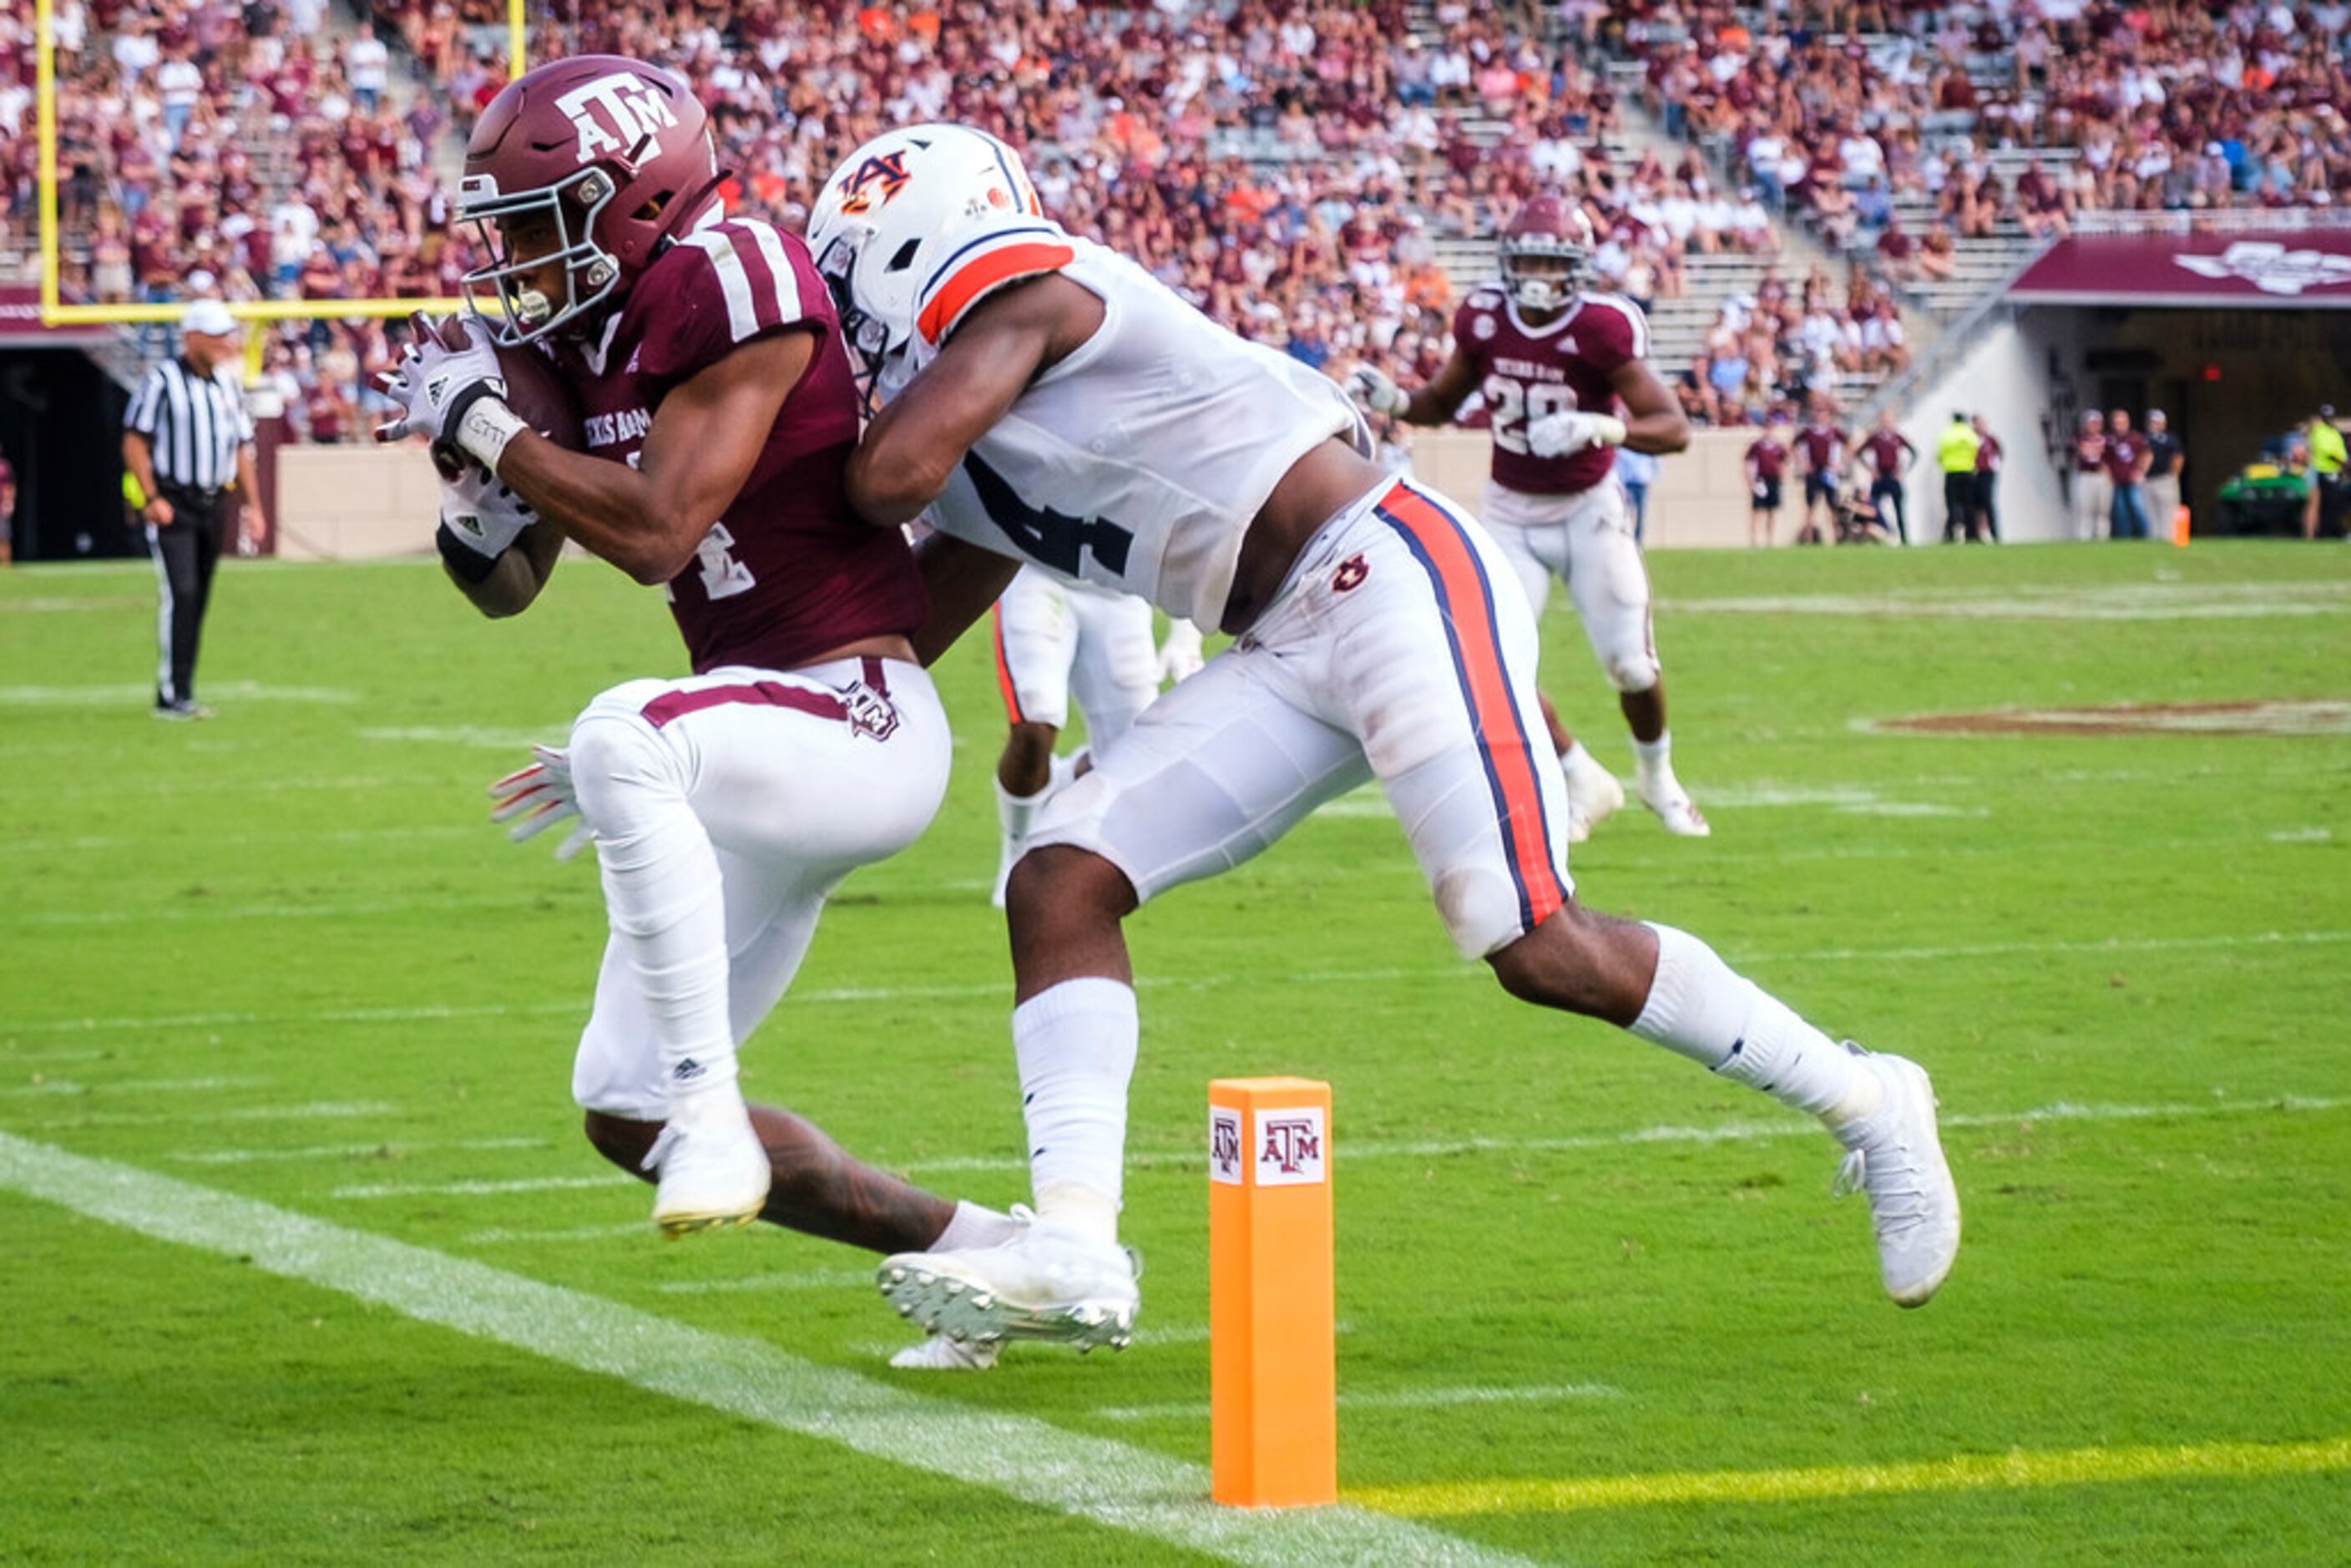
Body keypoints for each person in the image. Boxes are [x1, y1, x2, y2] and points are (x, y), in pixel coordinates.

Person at [807, 124, 1959, 1353]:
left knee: (1534, 944)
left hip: (1386, 567)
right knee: (1060, 875)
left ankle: (1868, 1096)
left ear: (908, 246)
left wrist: (762, 462)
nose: (850, 337)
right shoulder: (975, 441)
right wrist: (701, 731)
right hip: (1282, 645)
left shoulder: (1034, 286)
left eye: (847, 296)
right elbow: (881, 633)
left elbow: (885, 480)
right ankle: (1074, 1241)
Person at [374, 58, 1025, 1373]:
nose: (517, 254)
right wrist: (470, 480)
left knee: (625, 729)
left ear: (637, 196)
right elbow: (504, 586)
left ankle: (713, 1104)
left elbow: (663, 533)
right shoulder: (589, 325)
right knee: (621, 1106)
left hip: (856, 718)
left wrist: (498, 436)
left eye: (542, 218)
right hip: (764, 740)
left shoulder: (734, 271)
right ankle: (987, 1254)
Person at [1343, 196, 1709, 841]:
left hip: (1589, 511)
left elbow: (1673, 428)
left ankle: (1658, 777)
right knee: (1492, 662)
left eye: (1552, 259)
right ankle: (1580, 775)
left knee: (1631, 666)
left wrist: (1601, 425)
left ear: (1578, 267)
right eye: (1529, 258)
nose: (1539, 272)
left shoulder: (1600, 328)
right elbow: (1442, 402)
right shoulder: (1486, 319)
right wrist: (1398, 399)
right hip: (1510, 513)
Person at [987, 569, 1196, 907]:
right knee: (1034, 726)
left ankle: (1065, 781)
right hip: (1041, 575)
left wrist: (1185, 632)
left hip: (1121, 592)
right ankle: (1018, 853)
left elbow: (1180, 521)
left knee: (1131, 758)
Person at [122, 299, 267, 719]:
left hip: (213, 500)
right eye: (217, 335)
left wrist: (253, 506)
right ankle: (171, 693)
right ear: (192, 337)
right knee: (180, 593)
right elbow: (135, 439)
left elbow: (241, 449)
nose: (225, 343)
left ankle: (183, 687)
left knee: (198, 595)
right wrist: (151, 497)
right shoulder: (163, 380)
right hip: (175, 501)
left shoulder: (226, 384)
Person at [1793, 398, 1848, 545]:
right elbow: (1793, 446)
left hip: (1828, 473)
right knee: (1811, 507)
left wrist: (1839, 464)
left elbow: (1849, 445)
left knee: (1832, 506)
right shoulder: (1808, 432)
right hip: (1814, 473)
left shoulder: (1834, 431)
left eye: (1823, 412)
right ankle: (1808, 539)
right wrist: (1803, 464)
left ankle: (1836, 538)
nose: (1820, 416)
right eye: (1818, 412)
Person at [1859, 408, 1916, 546]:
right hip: (1879, 478)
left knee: (1899, 509)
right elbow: (1859, 453)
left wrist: (1902, 471)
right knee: (1873, 508)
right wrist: (1871, 470)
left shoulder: (1897, 437)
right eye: (1884, 420)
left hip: (1892, 477)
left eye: (1889, 420)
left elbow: (1913, 453)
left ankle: (1904, 539)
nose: (1886, 423)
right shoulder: (1875, 438)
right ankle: (1874, 537)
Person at [1934, 410, 1979, 544]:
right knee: (1969, 504)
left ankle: (1954, 531)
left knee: (1953, 503)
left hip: (1952, 472)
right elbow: (1976, 451)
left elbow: (1940, 455)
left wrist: (1945, 464)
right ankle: (1972, 534)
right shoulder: (1970, 434)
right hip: (1968, 471)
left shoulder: (1947, 434)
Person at [2106, 407, 2150, 540]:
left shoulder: (2136, 438)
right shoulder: (2110, 440)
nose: (2119, 425)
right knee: (2120, 511)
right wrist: (2109, 476)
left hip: (2133, 480)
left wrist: (2141, 471)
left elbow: (2147, 455)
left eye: (2122, 422)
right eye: (2117, 422)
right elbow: (2105, 460)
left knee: (2137, 507)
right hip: (2117, 481)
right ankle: (2123, 538)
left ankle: (2143, 536)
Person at [2305, 405, 2345, 540]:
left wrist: (2343, 463)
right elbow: (2324, 451)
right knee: (2320, 504)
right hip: (2321, 470)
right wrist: (2342, 462)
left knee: (2331, 503)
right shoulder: (2319, 431)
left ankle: (2323, 533)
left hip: (2333, 471)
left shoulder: (2333, 432)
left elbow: (2340, 451)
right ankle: (2317, 534)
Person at [1745, 423, 1787, 547]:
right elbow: (1748, 462)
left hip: (1773, 481)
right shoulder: (1756, 446)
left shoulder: (1778, 447)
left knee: (1771, 511)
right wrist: (1750, 481)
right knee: (1757, 511)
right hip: (1760, 482)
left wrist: (1782, 476)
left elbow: (1785, 461)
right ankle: (1754, 540)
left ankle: (1770, 540)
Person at [2141, 409, 2182, 540]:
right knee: (2149, 512)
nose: (2154, 425)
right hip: (2148, 480)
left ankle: (2168, 538)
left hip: (2164, 479)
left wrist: (2173, 475)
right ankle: (2153, 538)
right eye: (2152, 422)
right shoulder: (2144, 439)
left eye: (2157, 422)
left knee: (2167, 511)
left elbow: (2178, 457)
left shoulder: (2170, 439)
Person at [2072, 410, 2111, 541]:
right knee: (2085, 509)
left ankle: (2102, 537)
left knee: (2103, 510)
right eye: (2091, 423)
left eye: (2096, 423)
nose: (2094, 426)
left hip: (2101, 476)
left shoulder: (2108, 440)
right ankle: (2084, 537)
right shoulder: (2079, 439)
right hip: (2086, 475)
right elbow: (2081, 452)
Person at [1615, 445, 1658, 544]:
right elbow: (1618, 466)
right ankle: (1627, 540)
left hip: (1642, 485)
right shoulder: (1624, 449)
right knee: (1627, 515)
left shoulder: (1647, 449)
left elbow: (1656, 466)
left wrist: (1652, 479)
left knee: (1641, 516)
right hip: (1628, 485)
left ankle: (1638, 542)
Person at [1971, 414, 2002, 543]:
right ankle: (1978, 533)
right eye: (1978, 423)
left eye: (1983, 423)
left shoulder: (1990, 439)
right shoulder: (1970, 438)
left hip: (1987, 473)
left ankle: (1994, 532)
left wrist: (1994, 467)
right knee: (1976, 504)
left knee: (1987, 502)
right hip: (1973, 474)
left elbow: (2000, 454)